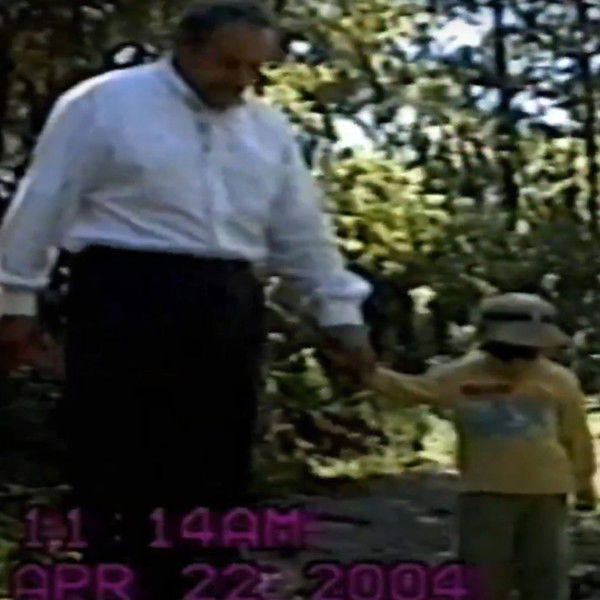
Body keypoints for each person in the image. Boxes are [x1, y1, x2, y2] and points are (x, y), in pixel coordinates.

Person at [0, 1, 377, 598]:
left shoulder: (267, 129)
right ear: (186, 47)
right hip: (125, 290)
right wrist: (14, 300)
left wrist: (339, 313)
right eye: (228, 64)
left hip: (227, 299)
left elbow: (300, 229)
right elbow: (46, 199)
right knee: (118, 457)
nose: (241, 80)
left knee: (217, 461)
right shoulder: (104, 103)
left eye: (255, 69)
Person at [326, 292, 597, 600]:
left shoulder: (559, 380)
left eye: (527, 352)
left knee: (546, 571)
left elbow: (575, 435)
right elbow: (413, 389)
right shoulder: (461, 375)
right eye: (507, 351)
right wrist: (366, 372)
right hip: (485, 491)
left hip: (548, 491)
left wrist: (584, 483)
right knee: (482, 573)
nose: (517, 360)